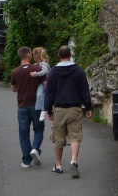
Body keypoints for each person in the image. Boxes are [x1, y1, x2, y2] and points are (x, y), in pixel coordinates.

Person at [44, 45, 93, 178]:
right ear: (70, 54)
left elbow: (49, 92)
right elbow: (85, 90)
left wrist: (48, 109)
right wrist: (88, 107)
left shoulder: (53, 72)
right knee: (75, 135)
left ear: (59, 56)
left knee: (58, 137)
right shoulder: (79, 71)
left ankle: (58, 165)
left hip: (59, 108)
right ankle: (73, 160)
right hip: (75, 108)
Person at [10, 47, 46, 169]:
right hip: (37, 105)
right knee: (39, 129)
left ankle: (26, 161)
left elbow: (13, 88)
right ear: (28, 55)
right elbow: (46, 84)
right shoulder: (37, 69)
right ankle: (35, 149)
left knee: (23, 134)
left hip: (22, 106)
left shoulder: (15, 72)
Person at [30, 47, 51, 122]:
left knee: (39, 94)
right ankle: (40, 109)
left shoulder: (43, 64)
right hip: (43, 82)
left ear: (36, 56)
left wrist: (36, 74)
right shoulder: (41, 64)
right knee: (39, 94)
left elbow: (45, 71)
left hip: (44, 83)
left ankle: (43, 110)